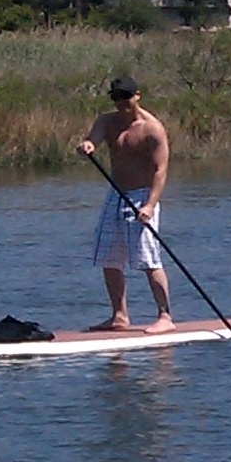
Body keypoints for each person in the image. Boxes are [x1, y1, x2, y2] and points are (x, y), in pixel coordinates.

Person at [76, 76, 177, 334]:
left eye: (126, 97)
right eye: (117, 98)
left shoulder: (152, 128)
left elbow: (160, 170)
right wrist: (88, 145)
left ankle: (165, 316)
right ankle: (119, 316)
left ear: (137, 96)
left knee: (147, 258)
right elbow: (94, 138)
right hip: (116, 194)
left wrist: (150, 206)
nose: (122, 103)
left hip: (143, 197)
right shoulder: (107, 122)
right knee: (108, 257)